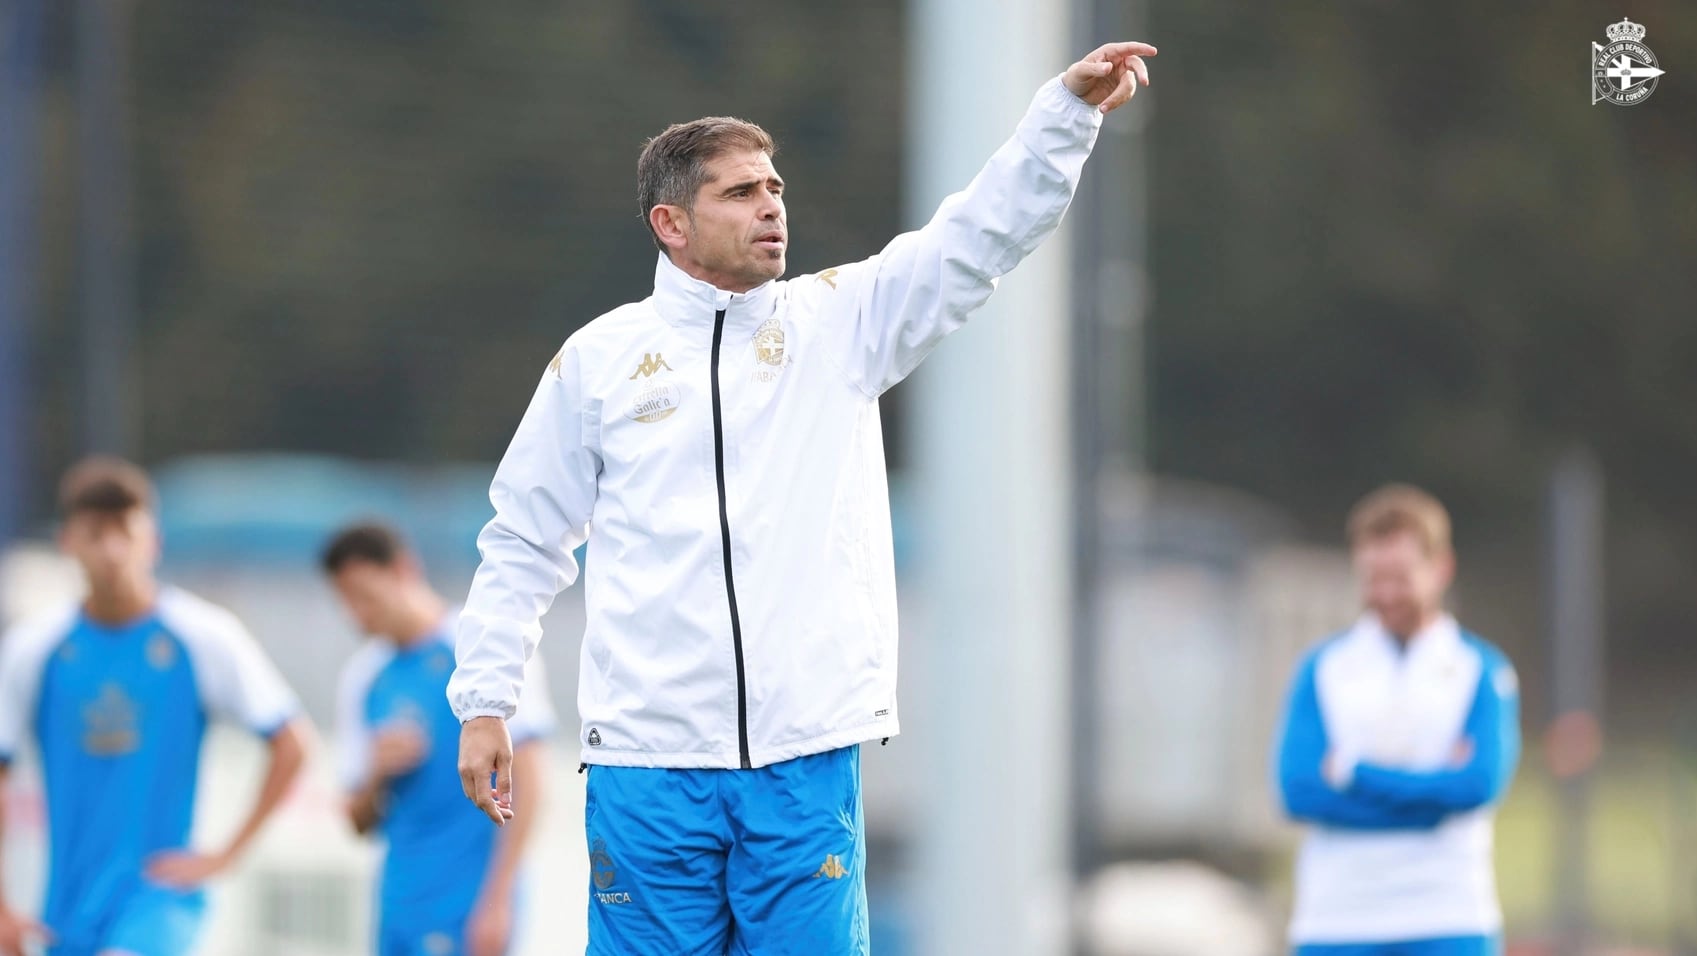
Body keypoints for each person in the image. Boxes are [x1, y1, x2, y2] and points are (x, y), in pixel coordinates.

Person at [448, 41, 1157, 954]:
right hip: (646, 767)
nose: (772, 207)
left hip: (803, 760)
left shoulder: (840, 321)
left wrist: (1066, 114)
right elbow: (524, 539)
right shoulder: (598, 361)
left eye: (774, 188)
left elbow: (976, 238)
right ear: (671, 222)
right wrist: (484, 699)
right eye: (740, 193)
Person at [0, 457, 308, 956]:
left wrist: (226, 855)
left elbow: (293, 743)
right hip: (63, 908)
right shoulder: (34, 649)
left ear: (154, 541)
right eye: (96, 533)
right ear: (67, 544)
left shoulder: (203, 636)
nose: (112, 549)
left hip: (160, 901)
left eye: (124, 530)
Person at [1274, 485, 1522, 956]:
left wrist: (1353, 773)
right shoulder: (1323, 668)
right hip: (1338, 919)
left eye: (1400, 577)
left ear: (1441, 568)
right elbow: (1298, 789)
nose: (1385, 594)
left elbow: (1478, 785)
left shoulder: (1480, 670)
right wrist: (1431, 802)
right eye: (1373, 577)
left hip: (1449, 914)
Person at [322, 523, 554, 956]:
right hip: (399, 903)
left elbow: (532, 783)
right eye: (345, 600)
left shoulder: (482, 654)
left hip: (471, 903)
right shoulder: (363, 676)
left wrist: (499, 900)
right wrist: (376, 773)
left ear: (403, 570)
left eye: (364, 595)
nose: (357, 613)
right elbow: (356, 820)